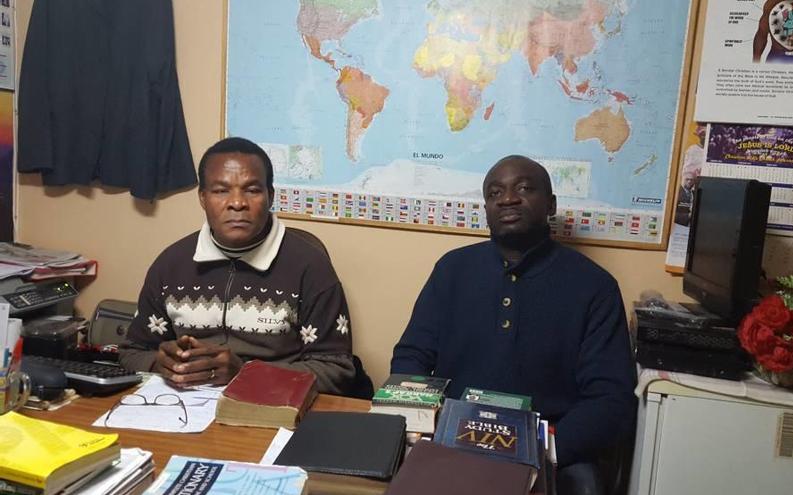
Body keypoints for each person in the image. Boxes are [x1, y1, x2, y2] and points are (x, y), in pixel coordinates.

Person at [391, 155, 636, 495]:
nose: (507, 198)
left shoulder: (594, 287)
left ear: (551, 204)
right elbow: (411, 357)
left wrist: (540, 452)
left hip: (549, 455)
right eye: (495, 192)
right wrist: (424, 429)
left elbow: (611, 401)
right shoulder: (452, 270)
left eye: (524, 188)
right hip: (451, 447)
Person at [119, 137, 356, 395]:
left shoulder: (310, 268)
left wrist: (246, 373)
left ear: (270, 196)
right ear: (202, 198)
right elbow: (131, 353)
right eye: (221, 190)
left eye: (252, 190)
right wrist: (159, 363)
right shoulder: (170, 265)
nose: (237, 203)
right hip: (182, 410)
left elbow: (337, 371)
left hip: (270, 409)